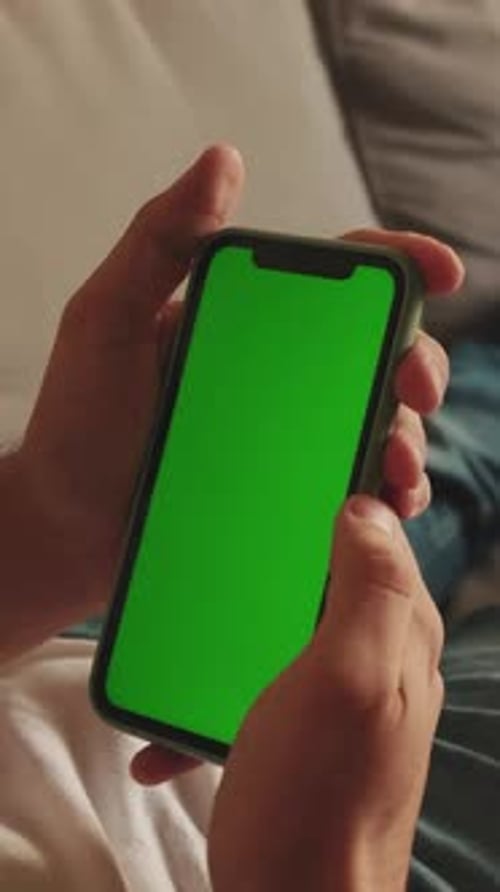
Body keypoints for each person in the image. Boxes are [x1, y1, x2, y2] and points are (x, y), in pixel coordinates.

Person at [0, 145, 497, 891]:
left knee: (434, 457)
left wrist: (42, 530)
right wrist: (336, 870)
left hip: (117, 621)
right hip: (331, 839)